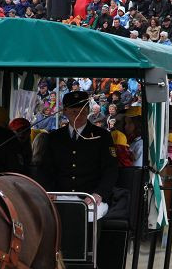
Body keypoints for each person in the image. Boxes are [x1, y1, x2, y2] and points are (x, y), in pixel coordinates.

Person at [37, 90, 118, 220]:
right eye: (74, 111)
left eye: (83, 110)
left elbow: (111, 169)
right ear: (64, 112)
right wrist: (49, 191)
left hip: (90, 197)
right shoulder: (54, 137)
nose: (78, 115)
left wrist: (99, 193)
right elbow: (45, 169)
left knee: (89, 217)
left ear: (88, 111)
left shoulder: (101, 136)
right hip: (59, 195)